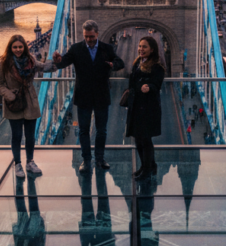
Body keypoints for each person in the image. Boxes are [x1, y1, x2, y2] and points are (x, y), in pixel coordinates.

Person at [53, 20, 125, 173]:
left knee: (102, 130)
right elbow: (63, 62)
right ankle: (86, 161)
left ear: (97, 34)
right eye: (86, 36)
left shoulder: (107, 48)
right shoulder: (76, 48)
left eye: (92, 36)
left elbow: (120, 62)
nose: (89, 40)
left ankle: (100, 159)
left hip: (101, 95)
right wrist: (58, 61)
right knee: (84, 131)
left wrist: (113, 65)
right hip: (84, 96)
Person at [0, 34, 56, 178]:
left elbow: (44, 67)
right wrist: (10, 95)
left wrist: (57, 62)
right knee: (16, 136)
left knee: (30, 136)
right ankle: (17, 164)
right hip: (13, 103)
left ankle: (30, 162)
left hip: (30, 102)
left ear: (25, 47)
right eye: (15, 47)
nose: (18, 50)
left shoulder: (31, 61)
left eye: (20, 47)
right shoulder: (3, 63)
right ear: (10, 48)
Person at [124, 36, 165, 179]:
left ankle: (148, 169)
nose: (141, 49)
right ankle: (146, 166)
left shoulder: (157, 67)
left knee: (145, 140)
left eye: (144, 47)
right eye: (140, 46)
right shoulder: (137, 62)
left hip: (148, 108)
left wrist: (150, 87)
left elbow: (157, 84)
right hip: (136, 105)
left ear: (152, 49)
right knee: (138, 139)